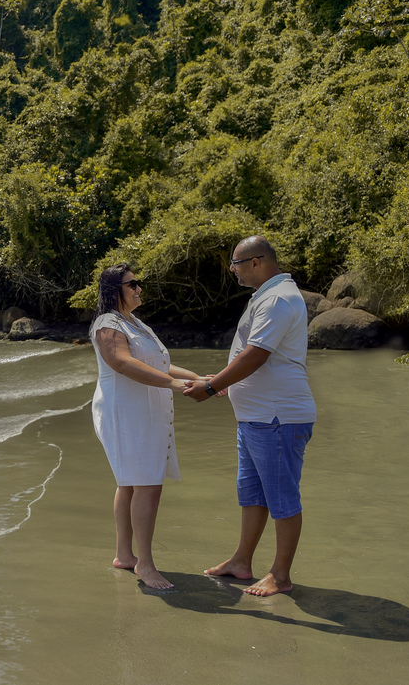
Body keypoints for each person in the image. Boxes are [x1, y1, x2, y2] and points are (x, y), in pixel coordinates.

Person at [184, 236, 316, 596]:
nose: (232, 270)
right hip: (257, 418)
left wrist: (211, 387)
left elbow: (256, 354)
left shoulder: (277, 299)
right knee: (253, 494)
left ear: (256, 262)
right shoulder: (267, 296)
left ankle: (281, 576)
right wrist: (223, 380)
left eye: (235, 264)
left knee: (282, 498)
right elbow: (250, 355)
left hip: (277, 417)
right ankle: (242, 561)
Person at [90, 263, 203, 590]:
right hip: (125, 412)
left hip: (141, 410)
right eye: (132, 284)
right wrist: (173, 384)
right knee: (146, 484)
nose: (139, 288)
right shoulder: (107, 323)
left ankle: (125, 556)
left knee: (130, 483)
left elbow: (159, 363)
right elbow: (122, 363)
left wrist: (195, 378)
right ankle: (146, 565)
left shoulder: (133, 322)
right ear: (115, 290)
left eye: (138, 283)